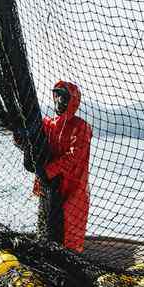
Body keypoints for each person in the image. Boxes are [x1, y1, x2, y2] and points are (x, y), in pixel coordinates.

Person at [34, 80, 92, 252]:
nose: (60, 101)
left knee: (68, 235)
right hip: (49, 189)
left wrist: (48, 171)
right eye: (57, 95)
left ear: (73, 102)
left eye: (64, 97)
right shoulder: (48, 124)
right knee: (45, 228)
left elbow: (74, 156)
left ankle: (68, 267)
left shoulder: (80, 127)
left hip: (72, 190)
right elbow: (32, 141)